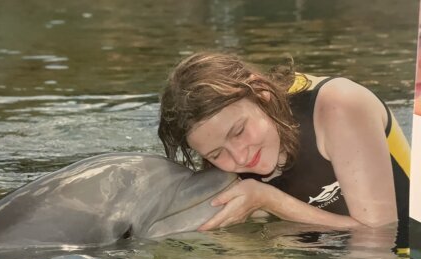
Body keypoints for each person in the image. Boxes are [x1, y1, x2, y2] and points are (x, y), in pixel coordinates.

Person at [158, 52, 410, 241]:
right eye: (216, 154)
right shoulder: (229, 169)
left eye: (239, 131)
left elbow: (381, 234)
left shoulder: (338, 106)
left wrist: (268, 200)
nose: (240, 156)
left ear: (261, 92)